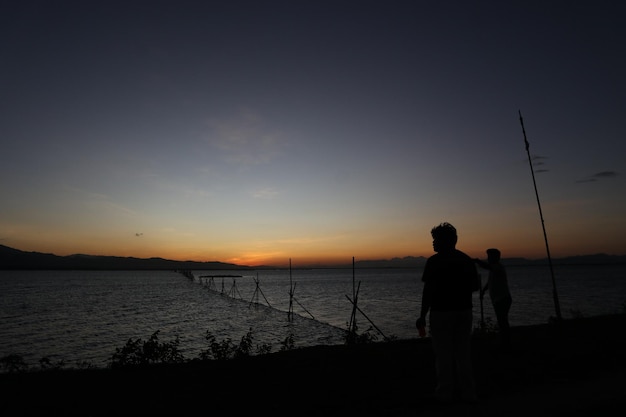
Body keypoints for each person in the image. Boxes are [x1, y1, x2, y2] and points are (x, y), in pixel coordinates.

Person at [416, 222, 480, 403]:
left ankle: (445, 394)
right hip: (463, 312)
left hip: (441, 313)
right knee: (463, 353)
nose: (433, 243)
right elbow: (474, 286)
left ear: (448, 240)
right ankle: (469, 394)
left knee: (443, 355)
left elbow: (427, 292)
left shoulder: (434, 262)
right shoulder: (466, 260)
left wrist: (422, 315)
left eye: (436, 239)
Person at [474, 248, 512, 352]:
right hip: (498, 299)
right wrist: (484, 291)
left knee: (502, 321)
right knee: (502, 321)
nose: (488, 258)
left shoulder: (498, 267)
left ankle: (506, 343)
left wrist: (478, 261)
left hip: (503, 299)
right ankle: (505, 341)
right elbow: (490, 282)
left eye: (490, 256)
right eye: (488, 256)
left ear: (496, 257)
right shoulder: (494, 269)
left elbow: (486, 267)